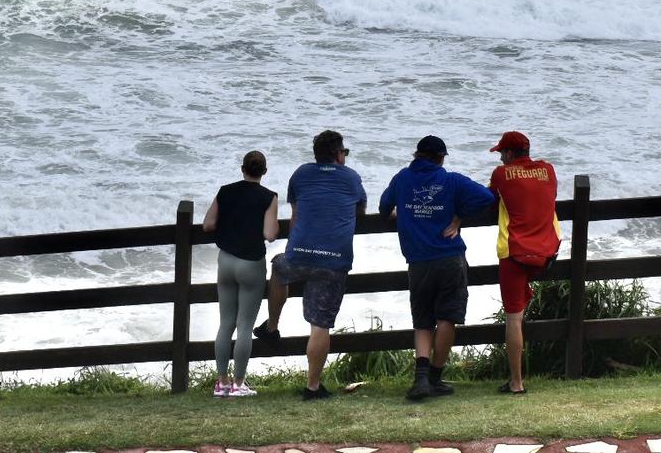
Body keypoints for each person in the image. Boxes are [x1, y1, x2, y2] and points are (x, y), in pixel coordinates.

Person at [379, 135, 495, 401]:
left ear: (416, 155)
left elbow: (384, 207)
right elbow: (486, 197)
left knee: (422, 321)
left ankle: (420, 379)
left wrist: (404, 214)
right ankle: (434, 376)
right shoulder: (451, 180)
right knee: (446, 318)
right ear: (441, 158)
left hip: (418, 261)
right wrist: (458, 216)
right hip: (449, 258)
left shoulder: (402, 178)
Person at [253, 130, 366, 401]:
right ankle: (313, 386)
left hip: (300, 253)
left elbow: (296, 215)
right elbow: (359, 211)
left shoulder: (301, 174)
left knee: (279, 267)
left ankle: (272, 327)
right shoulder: (350, 178)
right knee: (320, 324)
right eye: (344, 153)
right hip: (334, 260)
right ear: (339, 155)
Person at [202, 151, 280, 398]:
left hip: (225, 260)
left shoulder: (225, 191)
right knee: (245, 326)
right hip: (251, 264)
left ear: (242, 168)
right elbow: (270, 234)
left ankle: (221, 382)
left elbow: (207, 225)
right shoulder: (269, 197)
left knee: (226, 323)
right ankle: (239, 383)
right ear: (264, 171)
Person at [488, 131, 560, 395]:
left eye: (501, 153)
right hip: (546, 253)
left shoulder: (501, 174)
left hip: (515, 254)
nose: (501, 158)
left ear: (508, 153)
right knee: (519, 315)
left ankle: (516, 382)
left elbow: (490, 198)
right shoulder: (548, 170)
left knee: (513, 319)